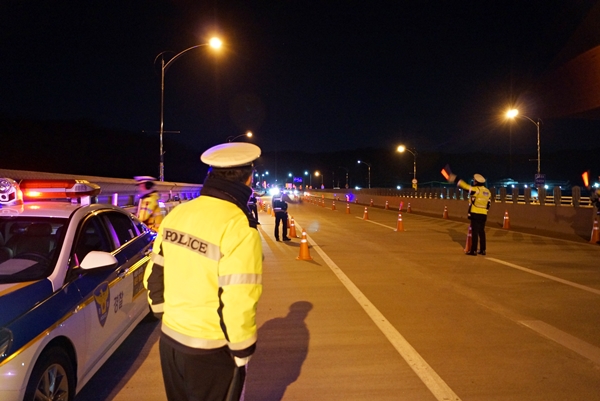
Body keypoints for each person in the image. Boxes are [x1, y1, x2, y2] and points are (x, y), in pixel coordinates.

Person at [143, 142, 263, 401]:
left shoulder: (178, 214)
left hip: (170, 343)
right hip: (211, 350)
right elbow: (238, 297)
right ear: (248, 178)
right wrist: (242, 350)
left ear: (211, 174)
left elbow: (154, 273)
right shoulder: (239, 226)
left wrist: (168, 315)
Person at [448, 173, 491, 256]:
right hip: (484, 214)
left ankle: (473, 250)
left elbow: (465, 187)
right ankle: (483, 250)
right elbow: (489, 204)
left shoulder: (476, 190)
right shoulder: (488, 192)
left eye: (474, 181)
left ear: (476, 182)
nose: (474, 182)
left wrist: (456, 179)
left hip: (475, 213)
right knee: (482, 232)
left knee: (474, 232)